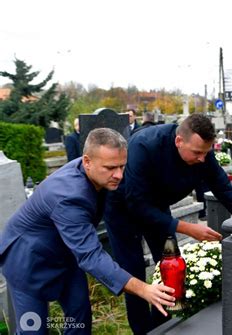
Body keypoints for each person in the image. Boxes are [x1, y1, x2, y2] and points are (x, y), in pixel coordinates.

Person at [0, 128, 176, 334]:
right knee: (34, 328)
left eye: (122, 166)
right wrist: (144, 288)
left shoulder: (97, 175)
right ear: (87, 161)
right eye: (111, 168)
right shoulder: (68, 196)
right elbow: (91, 255)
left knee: (80, 316)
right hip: (28, 260)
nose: (119, 175)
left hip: (67, 253)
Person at [104, 114, 232, 334]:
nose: (202, 159)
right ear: (179, 141)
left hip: (158, 206)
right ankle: (143, 330)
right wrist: (188, 228)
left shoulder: (202, 155)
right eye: (197, 153)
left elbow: (222, 188)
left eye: (206, 153)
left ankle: (163, 325)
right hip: (124, 209)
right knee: (134, 272)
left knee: (171, 266)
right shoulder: (144, 145)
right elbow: (137, 204)